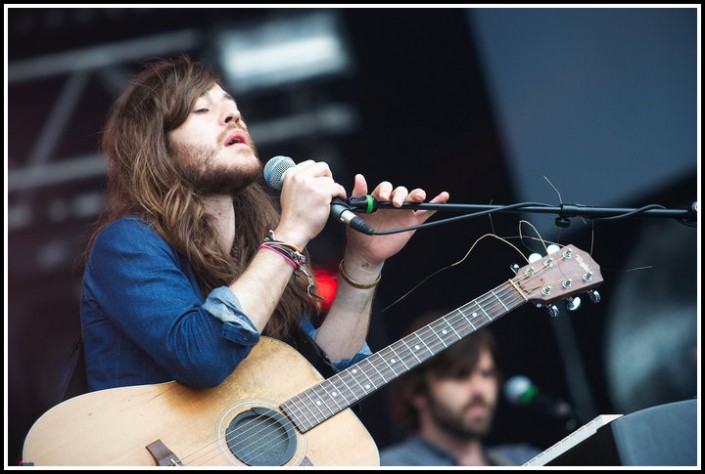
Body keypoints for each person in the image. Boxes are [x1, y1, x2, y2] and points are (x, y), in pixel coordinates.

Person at [79, 53, 449, 403]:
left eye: (230, 105)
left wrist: (363, 262)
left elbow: (324, 388)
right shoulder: (127, 243)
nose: (231, 115)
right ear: (159, 148)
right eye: (202, 110)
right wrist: (290, 235)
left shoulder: (260, 245)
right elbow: (202, 357)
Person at [379, 310, 541, 466]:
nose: (479, 390)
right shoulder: (389, 464)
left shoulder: (524, 458)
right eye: (460, 376)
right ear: (418, 392)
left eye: (486, 374)